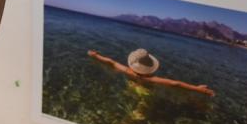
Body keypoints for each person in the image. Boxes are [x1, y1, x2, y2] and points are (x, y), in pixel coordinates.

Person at [87, 48, 216, 96]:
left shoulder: (127, 70)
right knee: (142, 106)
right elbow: (175, 84)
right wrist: (198, 89)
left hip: (131, 85)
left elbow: (111, 62)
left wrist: (95, 55)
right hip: (145, 91)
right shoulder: (152, 79)